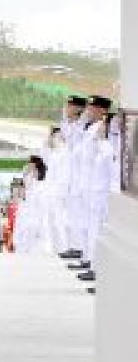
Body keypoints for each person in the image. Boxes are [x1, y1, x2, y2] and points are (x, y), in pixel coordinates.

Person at [78, 113, 115, 283]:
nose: (98, 128)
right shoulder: (102, 147)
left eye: (103, 125)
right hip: (95, 196)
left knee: (100, 234)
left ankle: (99, 271)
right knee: (94, 232)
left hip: (103, 198)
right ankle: (94, 267)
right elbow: (85, 151)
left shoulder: (108, 149)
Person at [59, 96, 88, 260]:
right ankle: (75, 246)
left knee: (80, 215)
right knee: (72, 214)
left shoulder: (83, 126)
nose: (66, 109)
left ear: (78, 108)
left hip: (81, 178)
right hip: (72, 178)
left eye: (69, 106)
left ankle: (80, 248)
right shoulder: (70, 125)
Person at [41, 127, 70, 255]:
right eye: (53, 137)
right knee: (50, 221)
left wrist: (61, 191)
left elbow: (66, 174)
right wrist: (47, 140)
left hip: (58, 191)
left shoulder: (66, 152)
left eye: (55, 136)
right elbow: (44, 156)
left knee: (60, 220)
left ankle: (64, 247)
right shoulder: (55, 153)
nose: (53, 139)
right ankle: (53, 247)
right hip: (50, 191)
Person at [12, 156, 48, 253]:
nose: (27, 164)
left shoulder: (39, 177)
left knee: (32, 228)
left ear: (34, 164)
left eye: (30, 162)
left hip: (34, 205)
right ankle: (22, 248)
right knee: (23, 228)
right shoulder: (25, 174)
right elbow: (19, 192)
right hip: (26, 204)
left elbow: (33, 187)